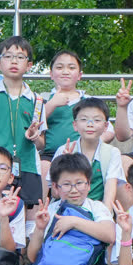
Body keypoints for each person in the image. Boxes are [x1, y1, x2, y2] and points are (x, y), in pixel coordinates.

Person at [0, 36, 46, 211]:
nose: (14, 61)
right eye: (8, 56)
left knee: (27, 215)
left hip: (28, 167)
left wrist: (35, 137)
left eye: (20, 57)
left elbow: (41, 144)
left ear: (29, 65)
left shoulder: (36, 100)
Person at [51, 98, 126, 209]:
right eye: (84, 119)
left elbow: (110, 192)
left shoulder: (112, 153)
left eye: (97, 120)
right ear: (75, 125)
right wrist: (64, 165)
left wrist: (105, 216)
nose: (90, 124)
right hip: (66, 210)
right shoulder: (63, 150)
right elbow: (55, 193)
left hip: (96, 211)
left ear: (106, 126)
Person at [40, 49, 86, 191]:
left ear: (79, 75)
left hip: (81, 153)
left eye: (71, 68)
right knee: (43, 167)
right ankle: (42, 204)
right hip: (50, 154)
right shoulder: (43, 99)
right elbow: (34, 124)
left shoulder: (88, 101)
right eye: (59, 67)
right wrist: (52, 104)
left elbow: (108, 131)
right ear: (51, 74)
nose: (65, 72)